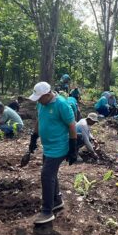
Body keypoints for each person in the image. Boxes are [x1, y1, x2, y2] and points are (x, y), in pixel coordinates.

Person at [27, 81, 78, 225]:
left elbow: (72, 125)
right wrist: (33, 139)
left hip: (59, 147)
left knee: (46, 175)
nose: (38, 101)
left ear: (48, 95)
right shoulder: (41, 103)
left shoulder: (61, 104)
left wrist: (73, 148)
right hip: (48, 146)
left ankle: (47, 211)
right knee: (51, 174)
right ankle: (57, 200)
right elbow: (39, 120)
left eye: (40, 98)